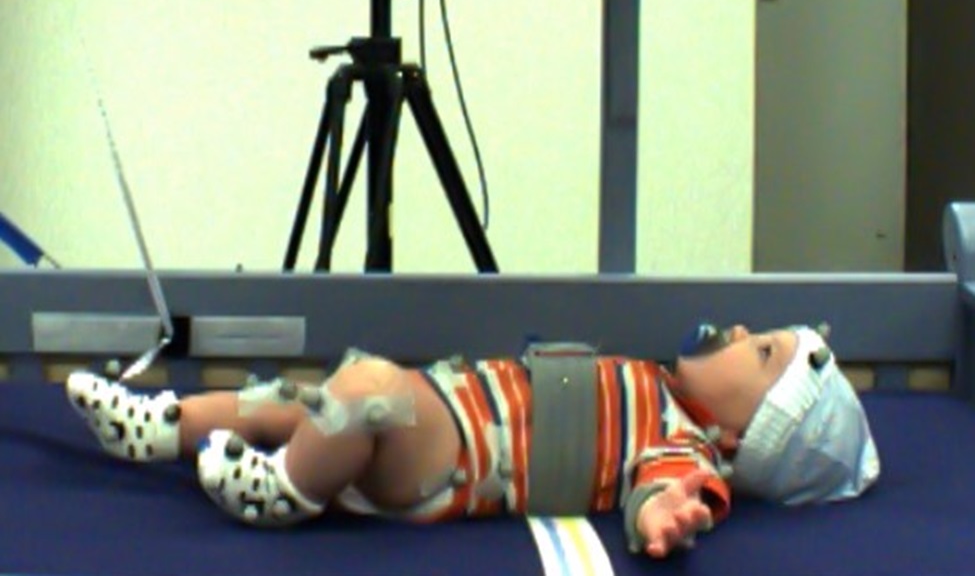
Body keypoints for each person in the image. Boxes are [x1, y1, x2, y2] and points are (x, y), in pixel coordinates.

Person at [64, 322, 880, 559]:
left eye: (758, 350)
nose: (735, 331)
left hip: (454, 462)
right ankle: (162, 427)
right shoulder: (658, 387)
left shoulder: (685, 442)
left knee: (365, 393)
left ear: (739, 435)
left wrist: (665, 512)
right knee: (297, 399)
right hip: (445, 406)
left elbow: (660, 486)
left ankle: (284, 490)